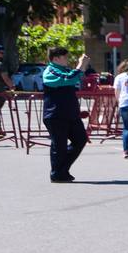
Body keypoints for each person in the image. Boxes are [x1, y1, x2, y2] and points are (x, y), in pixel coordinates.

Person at [40, 46, 92, 182]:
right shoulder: (50, 71)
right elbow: (68, 79)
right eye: (65, 57)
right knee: (59, 146)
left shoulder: (66, 70)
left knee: (80, 139)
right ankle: (57, 173)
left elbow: (76, 77)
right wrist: (80, 65)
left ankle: (61, 169)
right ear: (56, 58)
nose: (68, 59)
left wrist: (82, 67)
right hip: (55, 114)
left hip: (71, 114)